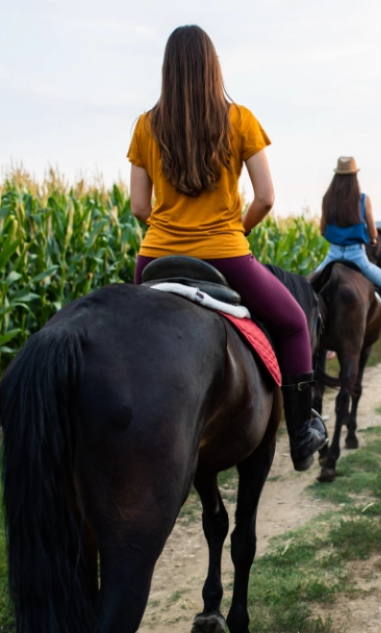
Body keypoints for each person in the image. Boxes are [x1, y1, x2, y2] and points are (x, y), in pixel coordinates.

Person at [126, 25, 327, 471]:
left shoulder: (146, 125)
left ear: (168, 70)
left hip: (155, 259)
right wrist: (234, 230)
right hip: (224, 255)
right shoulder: (240, 120)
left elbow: (140, 206)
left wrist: (170, 228)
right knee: (294, 323)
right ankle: (300, 432)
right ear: (213, 67)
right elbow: (266, 197)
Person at [314, 156, 381, 342]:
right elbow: (372, 233)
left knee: (308, 287)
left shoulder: (327, 200)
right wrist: (374, 240)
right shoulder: (363, 200)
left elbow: (323, 231)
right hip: (357, 257)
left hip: (333, 255)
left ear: (336, 176)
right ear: (355, 177)